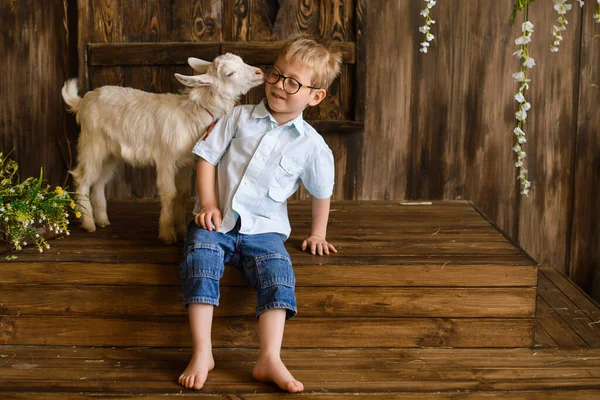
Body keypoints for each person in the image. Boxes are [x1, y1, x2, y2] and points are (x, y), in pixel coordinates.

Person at [178, 34, 342, 393]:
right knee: (199, 260)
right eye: (275, 74)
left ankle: (269, 357)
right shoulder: (238, 117)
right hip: (217, 222)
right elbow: (206, 157)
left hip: (265, 231)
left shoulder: (311, 145)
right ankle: (202, 351)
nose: (279, 86)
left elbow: (321, 192)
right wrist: (207, 204)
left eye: (293, 82)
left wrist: (318, 232)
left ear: (315, 96)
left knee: (278, 275)